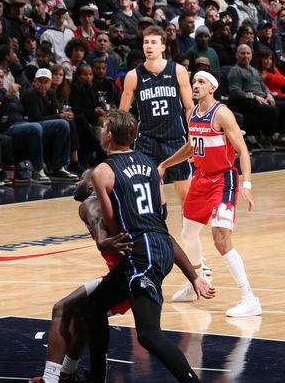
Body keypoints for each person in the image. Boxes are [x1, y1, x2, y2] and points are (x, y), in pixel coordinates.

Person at [83, 109, 207, 383]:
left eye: (103, 127)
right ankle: (97, 376)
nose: (101, 131)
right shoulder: (150, 164)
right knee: (93, 307)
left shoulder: (103, 171)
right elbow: (159, 216)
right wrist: (193, 276)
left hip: (142, 255)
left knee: (149, 335)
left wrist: (105, 241)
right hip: (161, 245)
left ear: (109, 134)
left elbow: (114, 227)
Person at [158, 71, 262, 318]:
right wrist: (165, 164)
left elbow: (243, 151)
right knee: (188, 232)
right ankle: (197, 280)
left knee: (220, 238)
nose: (195, 85)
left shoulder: (222, 114)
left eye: (201, 82)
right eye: (194, 81)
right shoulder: (193, 113)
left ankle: (249, 298)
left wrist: (246, 185)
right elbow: (192, 146)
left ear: (212, 88)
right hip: (201, 179)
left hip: (223, 180)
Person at [118, 26, 202, 266]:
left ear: (163, 46)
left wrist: (194, 137)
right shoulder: (134, 76)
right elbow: (123, 114)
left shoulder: (178, 71)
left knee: (186, 199)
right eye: (146, 42)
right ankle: (154, 247)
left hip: (176, 140)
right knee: (151, 199)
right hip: (146, 142)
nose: (149, 46)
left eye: (154, 42)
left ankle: (195, 254)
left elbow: (188, 107)